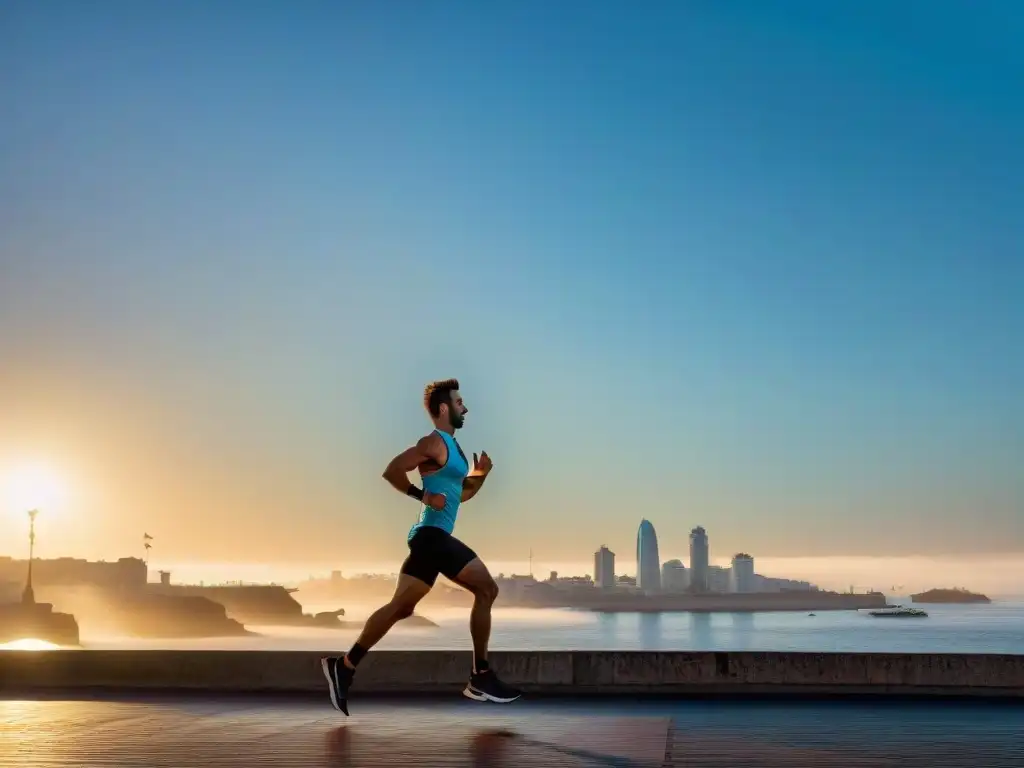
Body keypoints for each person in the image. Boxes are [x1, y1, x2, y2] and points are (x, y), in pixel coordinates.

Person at [321, 378, 521, 715]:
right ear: (444, 409)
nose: (465, 408)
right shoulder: (432, 442)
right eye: (459, 403)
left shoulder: (454, 451)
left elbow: (462, 496)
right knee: (487, 590)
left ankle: (344, 666)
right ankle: (480, 676)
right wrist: (422, 495)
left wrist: (481, 475)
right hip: (432, 536)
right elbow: (393, 470)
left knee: (401, 607)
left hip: (428, 537)